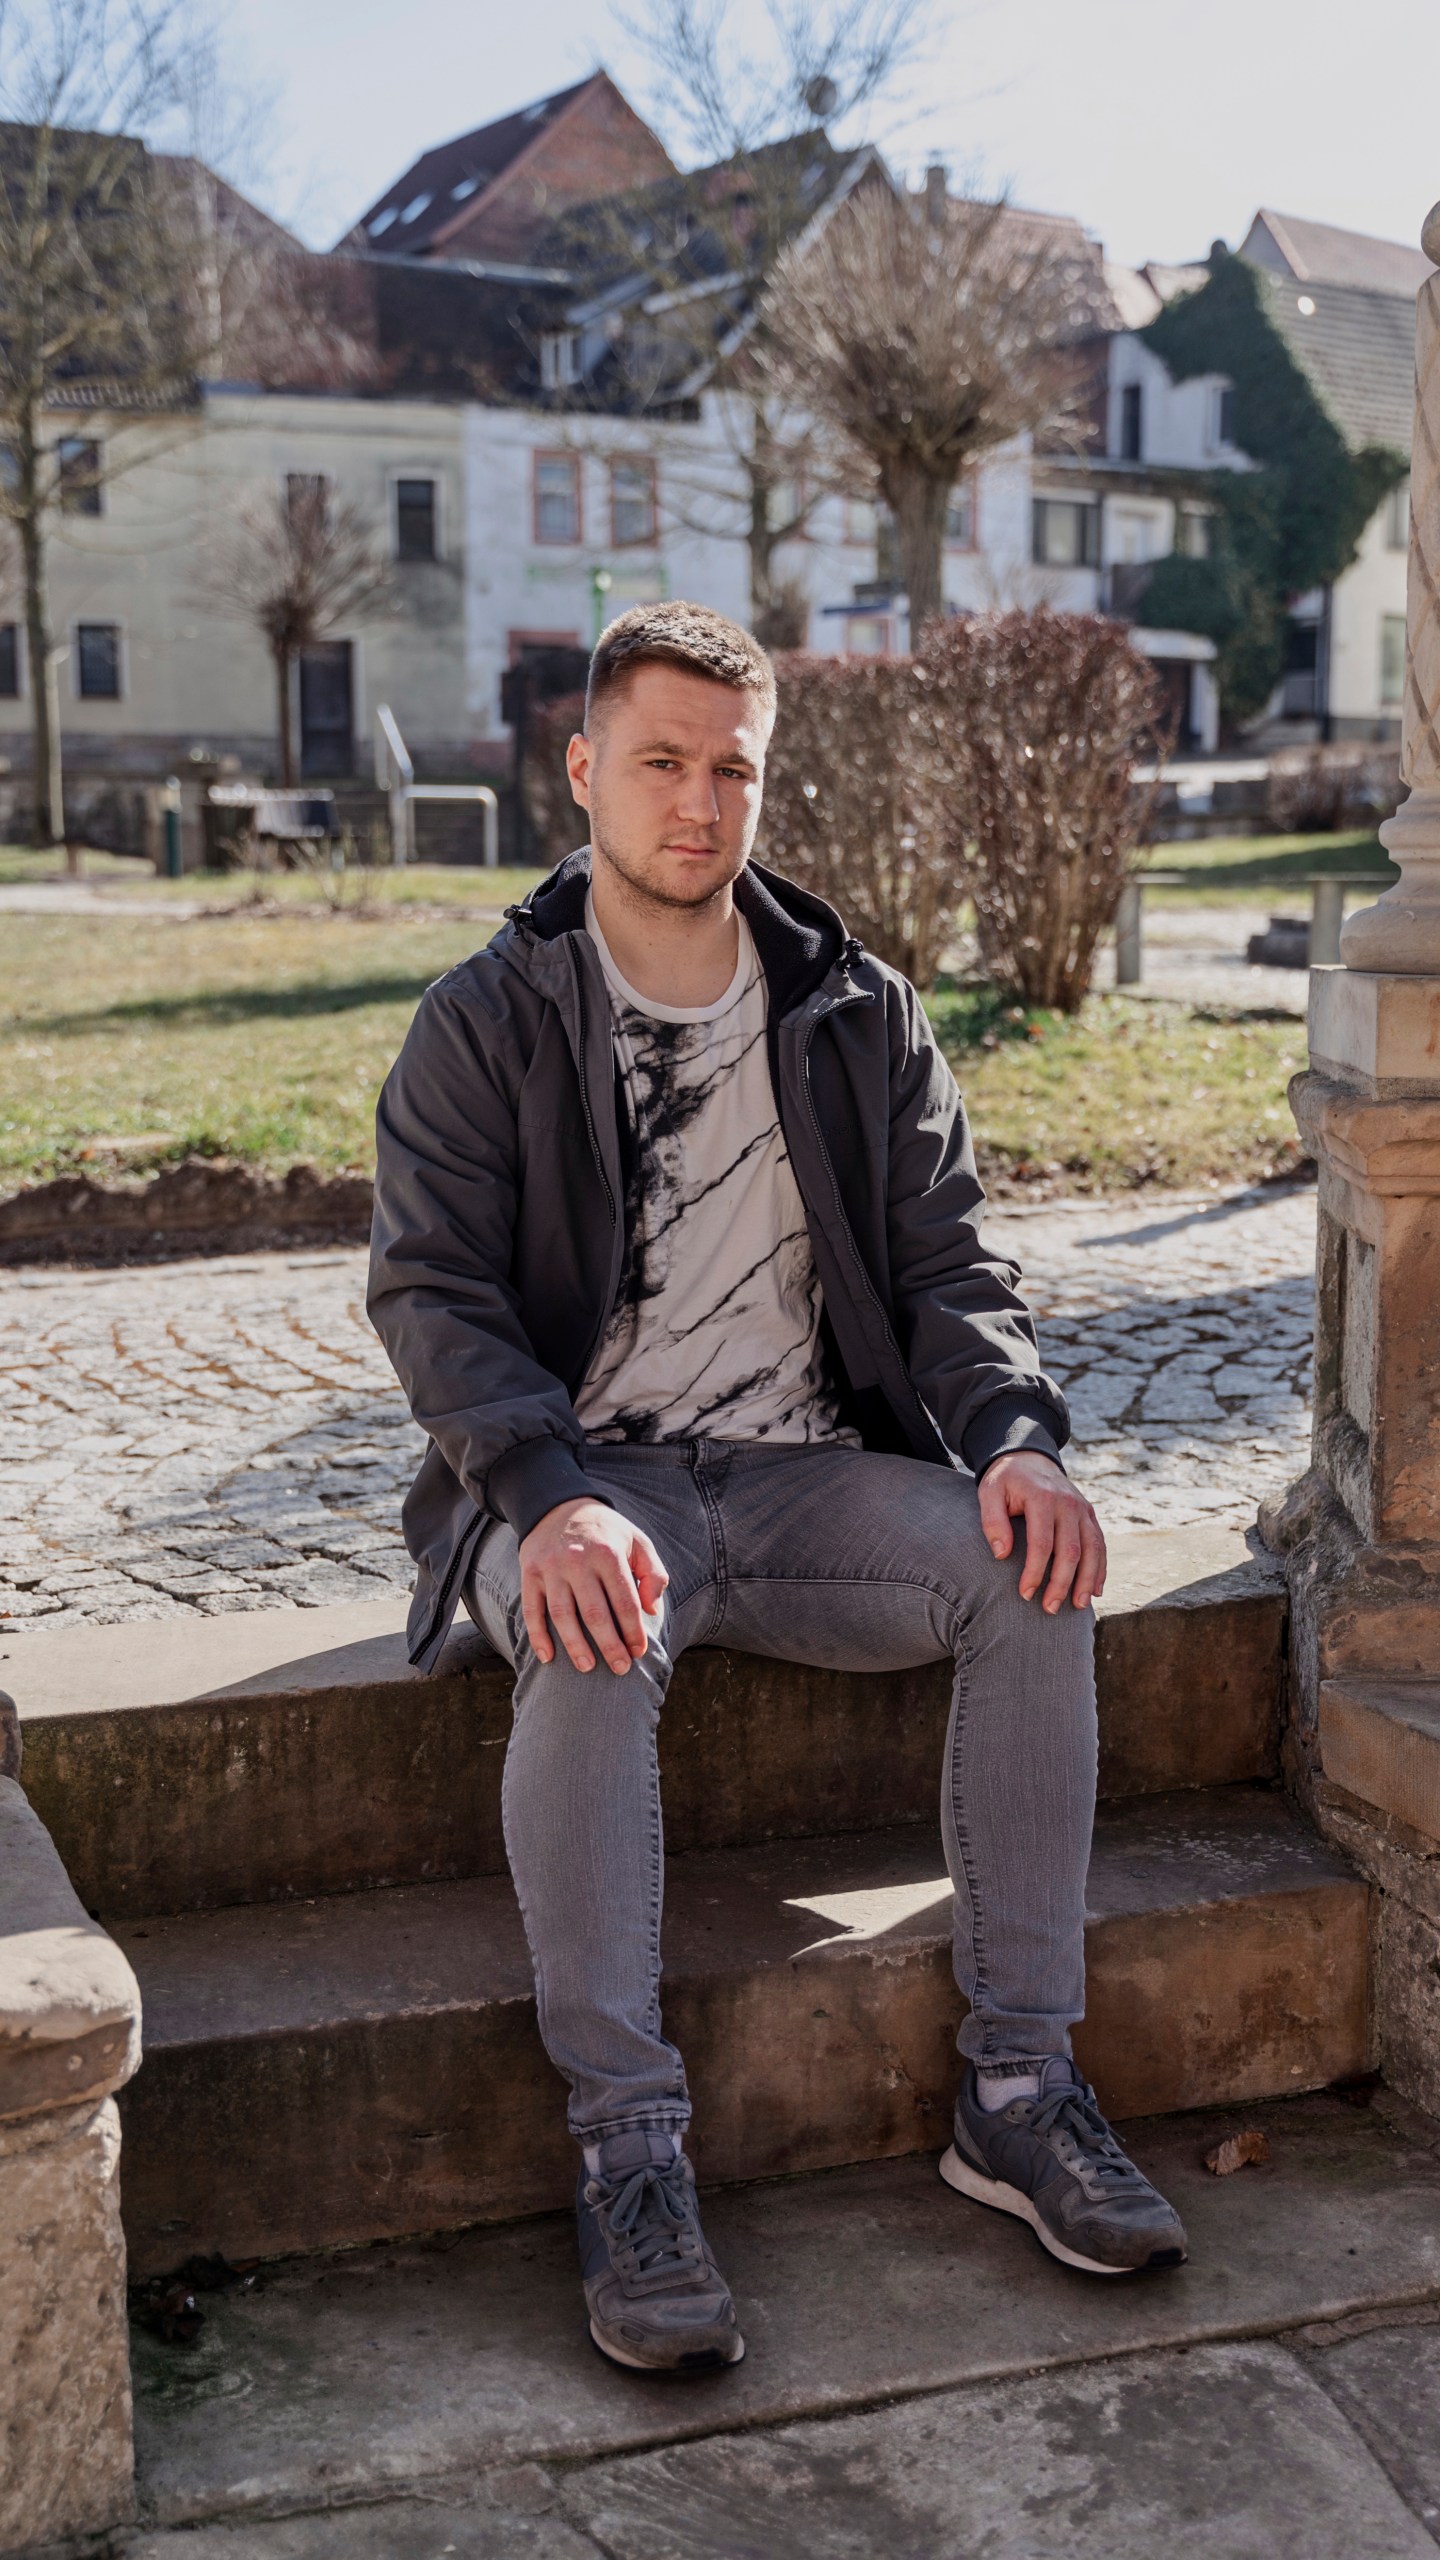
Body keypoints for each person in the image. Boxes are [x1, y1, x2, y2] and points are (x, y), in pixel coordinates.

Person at [369, 600, 1187, 2375]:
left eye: (732, 768)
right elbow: (432, 1295)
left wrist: (1021, 1445)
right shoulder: (488, 1019)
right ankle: (628, 2146)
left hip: (805, 1482)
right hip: (582, 1489)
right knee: (590, 1631)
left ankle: (1022, 2086)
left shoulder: (850, 1012)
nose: (698, 801)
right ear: (582, 770)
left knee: (1030, 1572)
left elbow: (954, 1267)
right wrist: (541, 1492)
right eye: (659, 761)